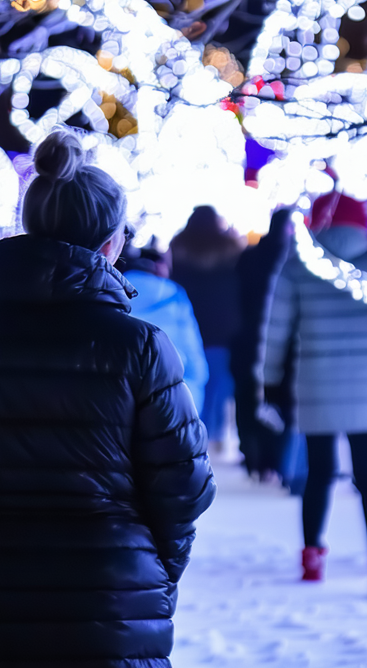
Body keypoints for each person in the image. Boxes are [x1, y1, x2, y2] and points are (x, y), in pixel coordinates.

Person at [0, 130, 215, 668]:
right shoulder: (139, 347)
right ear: (109, 245)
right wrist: (156, 566)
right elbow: (184, 485)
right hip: (113, 598)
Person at [262, 192, 367, 598]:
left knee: (319, 472)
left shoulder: (299, 264)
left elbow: (277, 330)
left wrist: (270, 381)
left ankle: (311, 560)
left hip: (316, 381)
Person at [170, 205, 244, 451]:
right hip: (223, 323)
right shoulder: (231, 249)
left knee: (188, 377)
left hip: (189, 319)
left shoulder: (179, 248)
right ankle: (216, 431)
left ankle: (192, 427)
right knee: (219, 381)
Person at [232, 207, 295, 482]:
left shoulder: (249, 256)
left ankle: (252, 456)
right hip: (283, 344)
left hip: (246, 338)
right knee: (279, 399)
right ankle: (274, 460)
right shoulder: (295, 261)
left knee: (246, 399)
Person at [118, 244, 210, 410]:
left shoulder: (113, 291)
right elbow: (192, 351)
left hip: (121, 389)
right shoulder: (174, 295)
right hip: (170, 389)